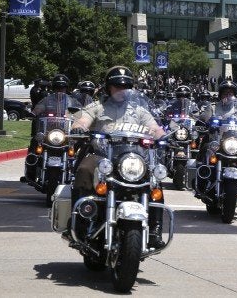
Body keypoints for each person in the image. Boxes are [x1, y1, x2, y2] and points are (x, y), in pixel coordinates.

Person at [70, 66, 166, 247]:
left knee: (155, 179)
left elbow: (154, 128)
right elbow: (83, 119)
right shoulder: (98, 107)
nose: (122, 90)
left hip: (132, 158)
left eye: (126, 87)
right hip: (102, 156)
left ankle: (155, 230)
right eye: (117, 86)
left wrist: (164, 136)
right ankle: (81, 222)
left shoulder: (139, 111)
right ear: (109, 87)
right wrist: (79, 126)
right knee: (84, 169)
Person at [23, 74, 82, 183]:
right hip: (49, 133)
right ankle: (31, 168)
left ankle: (78, 172)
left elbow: (80, 115)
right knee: (35, 142)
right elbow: (38, 109)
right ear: (53, 88)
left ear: (66, 88)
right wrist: (33, 113)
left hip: (66, 134)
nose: (60, 90)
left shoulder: (72, 102)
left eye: (62, 87)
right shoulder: (47, 100)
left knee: (80, 147)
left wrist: (81, 122)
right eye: (57, 87)